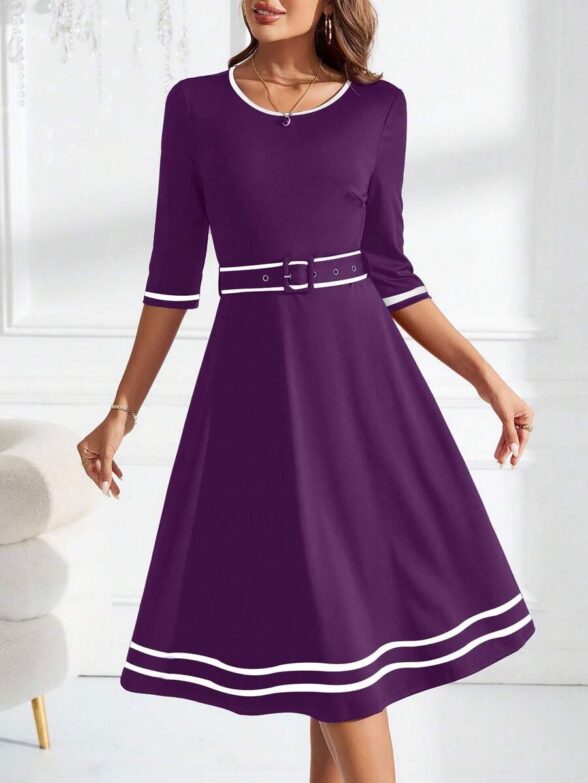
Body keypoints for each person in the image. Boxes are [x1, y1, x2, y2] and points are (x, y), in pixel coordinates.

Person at [77, 2, 536, 781]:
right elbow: (172, 277)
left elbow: (389, 268)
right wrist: (123, 409)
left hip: (360, 390)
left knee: (341, 636)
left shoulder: (377, 107)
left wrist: (486, 377)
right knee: (327, 635)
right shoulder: (196, 106)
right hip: (256, 392)